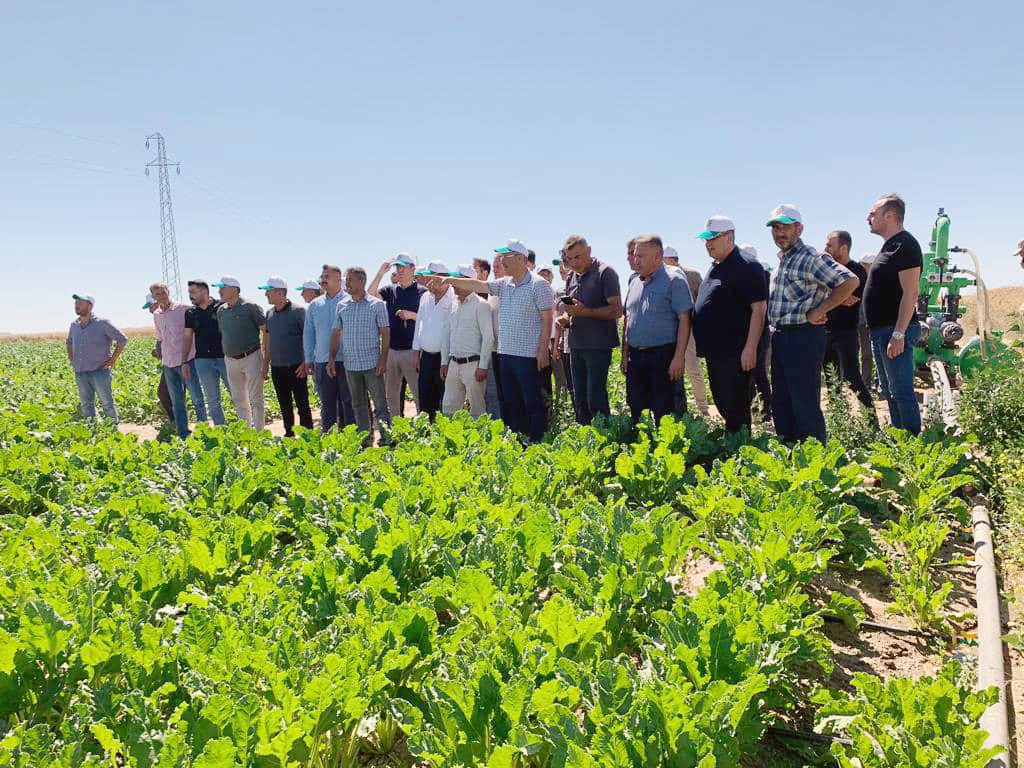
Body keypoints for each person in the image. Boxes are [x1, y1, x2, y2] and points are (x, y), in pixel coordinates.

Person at [440, 239, 553, 442]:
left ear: (520, 258)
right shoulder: (503, 284)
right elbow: (477, 284)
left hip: (528, 356)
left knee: (532, 402)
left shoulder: (539, 285)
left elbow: (547, 318)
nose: (501, 261)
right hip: (505, 355)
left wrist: (543, 350)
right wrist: (449, 281)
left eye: (505, 256)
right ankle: (517, 441)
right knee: (510, 402)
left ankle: (538, 442)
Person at [766, 204, 858, 444]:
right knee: (782, 402)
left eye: (785, 226)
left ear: (800, 228)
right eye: (775, 227)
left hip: (802, 337)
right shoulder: (783, 260)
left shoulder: (810, 256)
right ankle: (789, 454)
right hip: (782, 337)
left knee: (804, 403)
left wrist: (820, 309)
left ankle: (814, 462)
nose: (779, 232)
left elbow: (849, 281)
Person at [692, 217, 768, 434]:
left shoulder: (747, 266)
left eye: (712, 238)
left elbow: (759, 310)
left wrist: (750, 348)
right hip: (716, 352)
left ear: (729, 237)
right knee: (723, 401)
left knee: (736, 406)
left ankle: (740, 449)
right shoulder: (716, 266)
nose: (707, 243)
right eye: (705, 239)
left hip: (736, 352)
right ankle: (733, 445)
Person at [864, 194, 923, 434]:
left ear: (889, 215)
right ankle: (900, 440)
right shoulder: (889, 246)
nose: (868, 218)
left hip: (894, 330)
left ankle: (911, 442)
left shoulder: (905, 245)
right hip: (882, 330)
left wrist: (898, 334)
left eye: (873, 213)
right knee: (889, 390)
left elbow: (911, 293)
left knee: (901, 390)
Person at [622, 235, 693, 423]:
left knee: (665, 411)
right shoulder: (634, 282)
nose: (635, 261)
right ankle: (643, 449)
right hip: (636, 357)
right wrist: (625, 355)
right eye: (635, 255)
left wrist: (679, 357)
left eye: (641, 256)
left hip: (663, 356)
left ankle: (667, 450)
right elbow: (628, 320)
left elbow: (685, 319)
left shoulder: (674, 279)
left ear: (657, 256)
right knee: (637, 407)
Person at [560, 235, 622, 425]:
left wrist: (585, 311)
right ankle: (584, 442)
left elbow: (617, 310)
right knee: (579, 399)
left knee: (595, 397)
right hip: (576, 345)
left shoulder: (605, 272)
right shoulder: (571, 276)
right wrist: (567, 317)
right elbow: (576, 310)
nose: (574, 262)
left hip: (598, 346)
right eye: (570, 259)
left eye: (578, 257)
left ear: (589, 251)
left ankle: (604, 439)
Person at [328, 267, 391, 442]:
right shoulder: (342, 306)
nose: (346, 283)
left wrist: (383, 360)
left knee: (380, 405)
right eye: (346, 280)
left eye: (349, 280)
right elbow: (336, 333)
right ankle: (365, 441)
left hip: (372, 364)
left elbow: (385, 332)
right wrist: (331, 358)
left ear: (361, 281)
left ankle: (387, 439)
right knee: (358, 405)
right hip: (351, 364)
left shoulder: (377, 305)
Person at [369, 253, 425, 419]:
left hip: (413, 352)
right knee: (391, 396)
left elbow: (429, 319)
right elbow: (370, 295)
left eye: (403, 266)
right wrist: (380, 273)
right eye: (397, 267)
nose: (399, 270)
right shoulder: (389, 290)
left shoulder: (423, 292)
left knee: (418, 394)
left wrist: (411, 315)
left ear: (412, 269)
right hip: (391, 352)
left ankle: (423, 430)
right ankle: (395, 432)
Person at [822, 231, 874, 410]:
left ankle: (870, 418)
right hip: (825, 331)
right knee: (831, 379)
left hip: (846, 333)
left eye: (830, 245)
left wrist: (832, 296)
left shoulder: (857, 271)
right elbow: (837, 297)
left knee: (852, 378)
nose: (825, 249)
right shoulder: (827, 270)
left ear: (843, 248)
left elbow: (853, 299)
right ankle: (838, 417)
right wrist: (839, 296)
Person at [303, 264, 354, 431]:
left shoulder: (351, 301)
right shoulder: (315, 305)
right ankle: (329, 439)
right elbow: (309, 334)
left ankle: (351, 439)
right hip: (323, 362)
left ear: (339, 279)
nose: (322, 280)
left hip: (347, 361)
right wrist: (309, 359)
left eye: (326, 277)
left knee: (349, 402)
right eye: (322, 277)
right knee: (327, 403)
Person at [213, 275, 267, 430]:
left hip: (251, 356)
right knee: (238, 399)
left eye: (223, 288)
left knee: (255, 398)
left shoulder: (250, 307)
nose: (220, 291)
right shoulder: (221, 311)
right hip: (230, 360)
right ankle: (245, 432)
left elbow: (265, 330)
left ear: (234, 290)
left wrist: (264, 356)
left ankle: (259, 433)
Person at [261, 276, 313, 436]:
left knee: (302, 403)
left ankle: (307, 437)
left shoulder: (298, 312)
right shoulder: (269, 314)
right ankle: (289, 435)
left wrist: (305, 362)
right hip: (277, 367)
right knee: (284, 404)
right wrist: (265, 365)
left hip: (297, 367)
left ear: (279, 292)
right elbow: (268, 341)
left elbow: (308, 337)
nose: (266, 295)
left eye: (268, 292)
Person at [151, 282, 205, 438]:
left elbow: (196, 331)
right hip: (168, 363)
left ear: (168, 292)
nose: (161, 296)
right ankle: (183, 433)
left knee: (196, 398)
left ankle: (203, 431)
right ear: (154, 297)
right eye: (158, 294)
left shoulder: (184, 309)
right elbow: (160, 337)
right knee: (177, 401)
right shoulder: (157, 315)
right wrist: (159, 353)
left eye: (163, 292)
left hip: (187, 360)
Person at [441, 264, 494, 417]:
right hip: (454, 364)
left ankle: (479, 440)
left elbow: (488, 337)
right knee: (449, 408)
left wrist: (483, 366)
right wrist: (445, 361)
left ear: (467, 281)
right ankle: (451, 440)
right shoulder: (453, 304)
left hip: (473, 365)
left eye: (457, 279)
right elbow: (447, 334)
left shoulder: (481, 305)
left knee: (477, 410)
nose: (453, 283)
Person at [66, 293, 127, 423]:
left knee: (106, 402)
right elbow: (69, 342)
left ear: (90, 306)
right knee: (86, 404)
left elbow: (122, 339)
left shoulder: (102, 323)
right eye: (76, 304)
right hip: (80, 371)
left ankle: (113, 430)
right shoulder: (74, 325)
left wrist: (113, 359)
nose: (77, 306)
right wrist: (72, 360)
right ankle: (91, 429)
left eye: (80, 304)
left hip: (99, 371)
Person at [665, 245, 709, 418]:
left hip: (688, 328)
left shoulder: (692, 275)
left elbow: (702, 300)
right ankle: (675, 407)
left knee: (692, 367)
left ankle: (703, 407)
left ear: (674, 260)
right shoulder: (662, 276)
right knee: (672, 369)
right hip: (669, 330)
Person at [182, 279, 230, 426]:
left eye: (193, 292)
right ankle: (221, 430)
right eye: (189, 292)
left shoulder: (222, 307)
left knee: (237, 395)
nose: (190, 296)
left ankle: (247, 427)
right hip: (203, 361)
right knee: (213, 399)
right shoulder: (190, 313)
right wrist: (184, 361)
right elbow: (187, 337)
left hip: (225, 358)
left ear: (204, 291)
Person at [412, 261, 455, 419]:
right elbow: (419, 325)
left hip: (445, 359)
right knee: (425, 397)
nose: (427, 283)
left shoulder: (454, 298)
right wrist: (416, 353)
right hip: (426, 358)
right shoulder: (425, 297)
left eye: (431, 279)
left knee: (442, 399)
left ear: (442, 279)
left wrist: (446, 360)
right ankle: (426, 436)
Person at [740, 246, 773, 421]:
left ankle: (766, 410)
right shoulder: (758, 275)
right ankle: (758, 410)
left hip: (759, 330)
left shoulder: (759, 276)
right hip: (757, 330)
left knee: (758, 371)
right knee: (755, 372)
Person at [144, 294, 175, 421]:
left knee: (164, 392)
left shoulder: (170, 316)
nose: (150, 310)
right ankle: (176, 419)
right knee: (168, 393)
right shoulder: (159, 318)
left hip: (176, 362)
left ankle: (176, 420)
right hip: (169, 362)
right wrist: (158, 352)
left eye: (151, 306)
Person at [483, 253, 505, 419]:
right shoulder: (491, 290)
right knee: (492, 393)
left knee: (507, 393)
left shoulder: (509, 288)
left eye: (499, 264)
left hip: (507, 351)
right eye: (494, 265)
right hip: (491, 350)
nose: (495, 267)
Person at [858, 253, 876, 393]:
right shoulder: (859, 280)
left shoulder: (879, 281)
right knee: (866, 354)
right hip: (862, 323)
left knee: (871, 354)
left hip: (874, 322)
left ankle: (870, 383)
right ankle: (865, 384)